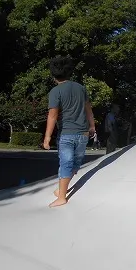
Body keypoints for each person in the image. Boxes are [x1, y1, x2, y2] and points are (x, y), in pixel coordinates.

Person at [43, 55, 96, 208]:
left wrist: (47, 137)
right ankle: (62, 189)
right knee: (75, 163)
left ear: (54, 75)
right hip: (83, 134)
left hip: (66, 134)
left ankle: (61, 197)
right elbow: (88, 110)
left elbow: (52, 116)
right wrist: (92, 126)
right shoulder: (81, 88)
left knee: (66, 163)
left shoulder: (55, 91)